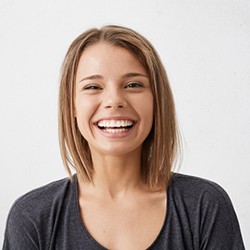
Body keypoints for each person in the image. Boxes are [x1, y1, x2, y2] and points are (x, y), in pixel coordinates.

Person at [3, 25, 245, 250]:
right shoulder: (32, 216)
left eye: (133, 85)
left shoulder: (205, 206)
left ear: (156, 101)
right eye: (92, 87)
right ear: (72, 106)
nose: (114, 100)